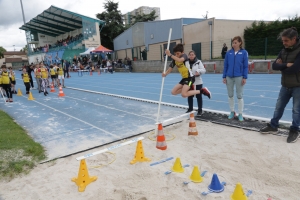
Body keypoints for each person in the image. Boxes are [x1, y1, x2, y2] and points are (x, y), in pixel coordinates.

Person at [260, 27, 300, 143]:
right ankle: (273, 126)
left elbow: (295, 68)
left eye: (286, 41)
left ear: (294, 39)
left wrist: (283, 66)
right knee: (279, 107)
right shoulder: (283, 50)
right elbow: (274, 66)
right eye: (283, 41)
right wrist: (287, 65)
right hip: (285, 85)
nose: (284, 43)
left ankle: (295, 130)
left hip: (298, 86)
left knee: (296, 110)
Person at [222, 36, 248, 121]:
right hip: (229, 76)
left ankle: (240, 113)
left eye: (235, 42)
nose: (234, 44)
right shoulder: (228, 53)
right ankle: (232, 111)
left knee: (239, 96)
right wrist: (224, 76)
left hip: (239, 76)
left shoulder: (244, 53)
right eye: (233, 43)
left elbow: (245, 66)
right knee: (230, 95)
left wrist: (244, 77)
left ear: (240, 43)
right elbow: (225, 65)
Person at [187, 50, 206, 116]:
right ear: (188, 56)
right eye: (190, 55)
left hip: (198, 82)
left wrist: (198, 71)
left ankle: (200, 110)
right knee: (189, 95)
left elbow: (204, 70)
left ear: (195, 55)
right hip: (190, 82)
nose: (191, 56)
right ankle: (190, 109)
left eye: (192, 54)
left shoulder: (198, 62)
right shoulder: (186, 63)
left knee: (199, 96)